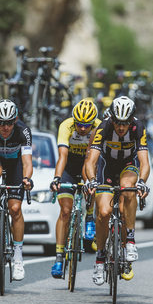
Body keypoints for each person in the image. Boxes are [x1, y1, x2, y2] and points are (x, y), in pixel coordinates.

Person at [84, 96, 150, 285]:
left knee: (129, 190)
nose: (121, 128)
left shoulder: (139, 128)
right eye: (118, 123)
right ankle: (100, 258)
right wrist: (90, 180)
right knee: (103, 213)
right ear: (112, 119)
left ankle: (129, 241)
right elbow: (91, 161)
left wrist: (143, 181)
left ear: (131, 120)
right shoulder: (103, 127)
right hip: (107, 167)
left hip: (128, 165)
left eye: (125, 123)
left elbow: (145, 162)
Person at [0, 100, 34, 281]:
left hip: (15, 163)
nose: (5, 127)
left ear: (15, 120)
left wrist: (26, 179)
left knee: (15, 210)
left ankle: (18, 259)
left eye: (9, 122)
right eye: (1, 122)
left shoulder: (23, 131)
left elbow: (27, 162)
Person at [49, 100, 102, 278]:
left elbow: (96, 160)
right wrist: (57, 177)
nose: (82, 129)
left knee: (91, 179)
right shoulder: (66, 126)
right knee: (65, 210)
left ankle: (89, 217)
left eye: (86, 125)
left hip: (90, 164)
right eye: (79, 124)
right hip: (70, 166)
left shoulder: (100, 127)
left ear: (93, 122)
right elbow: (62, 156)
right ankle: (58, 258)